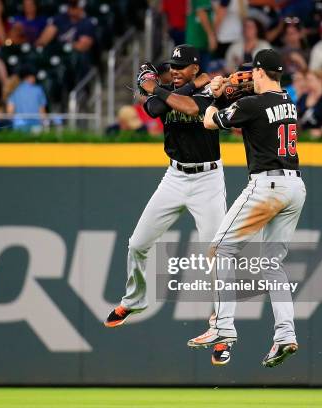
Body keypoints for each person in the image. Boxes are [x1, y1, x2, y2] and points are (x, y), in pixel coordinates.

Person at [104, 46, 226, 347]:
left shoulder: (210, 87)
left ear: (196, 68)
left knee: (217, 252)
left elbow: (190, 108)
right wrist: (168, 88)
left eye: (182, 67)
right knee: (138, 244)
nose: (175, 70)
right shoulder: (179, 87)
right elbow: (155, 109)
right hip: (174, 176)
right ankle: (134, 300)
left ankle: (222, 323)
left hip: (208, 178)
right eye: (172, 66)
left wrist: (153, 86)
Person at [191, 49, 305, 368]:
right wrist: (235, 97)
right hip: (295, 187)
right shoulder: (287, 102)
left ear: (258, 72)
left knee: (220, 250)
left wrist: (215, 95)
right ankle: (285, 334)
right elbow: (256, 112)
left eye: (251, 73)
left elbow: (209, 122)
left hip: (267, 186)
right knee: (272, 263)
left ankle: (223, 327)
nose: (245, 78)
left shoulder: (252, 103)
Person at [36, 0, 95, 81]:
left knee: (75, 58)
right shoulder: (60, 19)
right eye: (70, 5)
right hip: (58, 54)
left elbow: (83, 46)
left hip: (73, 57)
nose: (71, 8)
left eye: (74, 5)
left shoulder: (86, 23)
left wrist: (68, 45)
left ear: (81, 7)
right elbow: (43, 39)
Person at [7, 66, 47, 131]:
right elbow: (42, 111)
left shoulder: (14, 90)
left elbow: (10, 112)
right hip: (36, 125)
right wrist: (45, 124)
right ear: (30, 77)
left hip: (19, 125)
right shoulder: (38, 90)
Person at [185, 0, 216, 71]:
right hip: (198, 41)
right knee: (203, 74)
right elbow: (201, 13)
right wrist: (211, 35)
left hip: (197, 39)